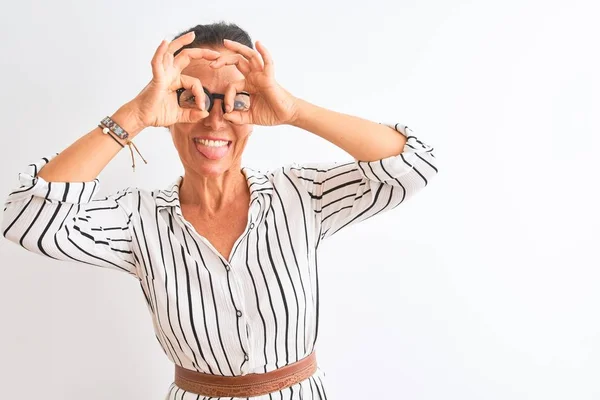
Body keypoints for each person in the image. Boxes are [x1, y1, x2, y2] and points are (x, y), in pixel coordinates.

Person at [1, 22, 439, 400]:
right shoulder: (140, 221)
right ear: (167, 109)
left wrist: (294, 110)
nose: (214, 120)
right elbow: (24, 218)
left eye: (237, 100)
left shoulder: (300, 196)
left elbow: (414, 166)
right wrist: (134, 115)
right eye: (190, 97)